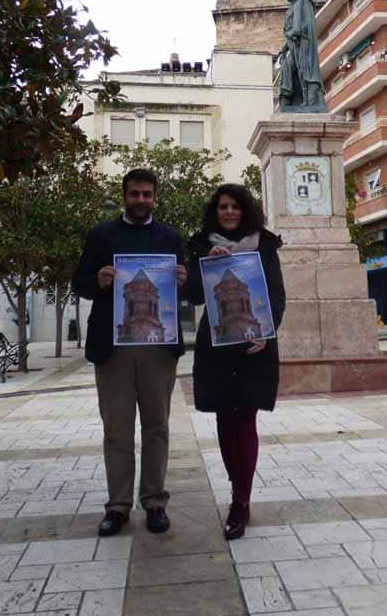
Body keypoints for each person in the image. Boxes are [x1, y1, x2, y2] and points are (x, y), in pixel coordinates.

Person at [72, 168, 187, 537]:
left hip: (158, 348)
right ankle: (118, 506)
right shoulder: (101, 235)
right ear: (124, 196)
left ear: (156, 197)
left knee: (157, 427)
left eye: (147, 194)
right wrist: (99, 281)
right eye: (134, 194)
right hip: (114, 347)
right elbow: (80, 283)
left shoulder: (169, 237)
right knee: (117, 430)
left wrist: (185, 280)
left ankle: (154, 502)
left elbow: (187, 288)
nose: (141, 200)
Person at [184, 183, 286, 541]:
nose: (229, 212)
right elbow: (193, 293)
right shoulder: (199, 244)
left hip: (254, 345)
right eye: (223, 207)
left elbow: (276, 294)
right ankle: (236, 482)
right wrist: (205, 265)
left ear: (245, 211)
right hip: (217, 343)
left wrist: (267, 331)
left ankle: (240, 501)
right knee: (225, 421)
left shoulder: (265, 244)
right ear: (216, 211)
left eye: (235, 207)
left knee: (245, 420)